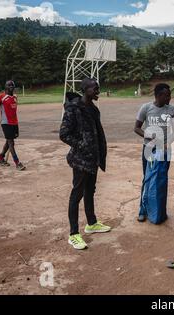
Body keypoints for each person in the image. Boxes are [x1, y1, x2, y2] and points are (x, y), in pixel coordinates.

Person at [60, 78, 111, 250]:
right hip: (81, 160)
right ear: (85, 89)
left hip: (93, 159)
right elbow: (64, 134)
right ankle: (74, 234)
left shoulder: (94, 110)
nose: (98, 91)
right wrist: (83, 146)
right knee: (77, 195)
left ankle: (91, 223)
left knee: (90, 191)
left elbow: (98, 134)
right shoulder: (74, 109)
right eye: (95, 88)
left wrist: (99, 153)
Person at [134, 83, 174, 224]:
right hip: (149, 150)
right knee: (147, 179)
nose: (169, 97)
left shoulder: (171, 110)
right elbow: (136, 128)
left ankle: (160, 212)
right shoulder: (146, 108)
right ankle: (143, 210)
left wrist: (167, 143)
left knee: (161, 180)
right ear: (158, 95)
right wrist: (149, 135)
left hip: (164, 151)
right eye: (167, 94)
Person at [0, 80, 26, 171]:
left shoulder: (15, 97)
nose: (11, 88)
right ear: (6, 87)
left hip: (15, 123)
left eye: (12, 86)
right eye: (9, 86)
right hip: (6, 123)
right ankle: (17, 163)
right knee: (11, 142)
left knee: (9, 141)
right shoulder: (1, 97)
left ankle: (0, 158)